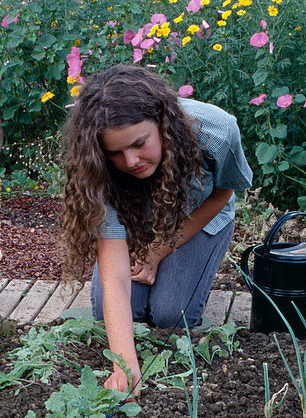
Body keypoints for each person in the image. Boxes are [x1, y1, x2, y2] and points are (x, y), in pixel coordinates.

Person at [61, 64, 253, 396]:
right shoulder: (97, 167)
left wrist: (157, 253)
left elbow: (224, 193)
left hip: (199, 214)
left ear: (163, 122)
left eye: (139, 143)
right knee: (114, 309)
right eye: (116, 153)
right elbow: (115, 277)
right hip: (136, 221)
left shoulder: (216, 132)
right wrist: (124, 367)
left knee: (170, 316)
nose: (131, 160)